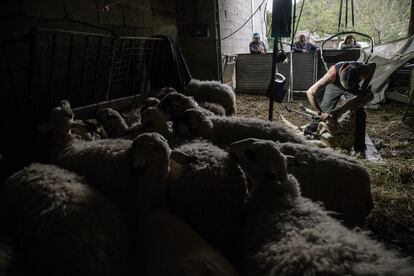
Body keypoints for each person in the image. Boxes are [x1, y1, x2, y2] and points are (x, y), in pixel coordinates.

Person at [305, 61, 376, 156]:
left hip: (353, 88)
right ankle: (311, 130)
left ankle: (360, 148)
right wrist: (320, 113)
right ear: (341, 73)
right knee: (325, 108)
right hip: (334, 85)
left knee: (359, 113)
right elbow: (310, 92)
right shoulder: (332, 74)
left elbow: (373, 66)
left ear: (358, 75)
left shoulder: (362, 69)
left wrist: (364, 87)